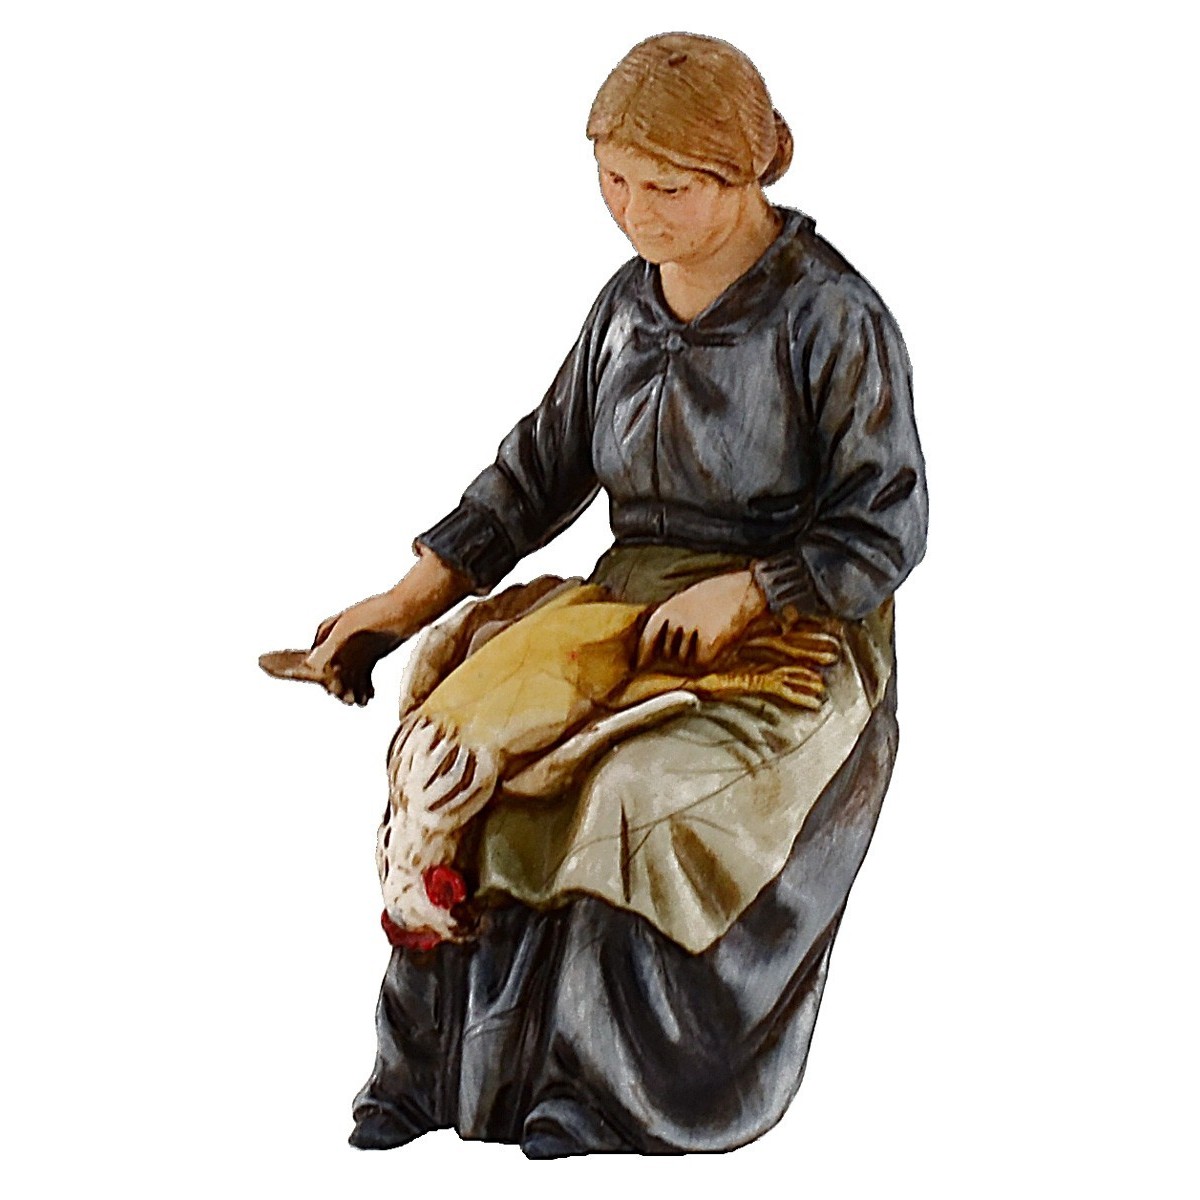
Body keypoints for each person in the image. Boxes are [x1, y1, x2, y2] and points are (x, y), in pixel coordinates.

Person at [302, 32, 927, 1157]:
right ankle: (431, 1073)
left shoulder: (832, 315)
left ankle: (607, 1091)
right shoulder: (626, 306)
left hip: (798, 637)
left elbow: (887, 520)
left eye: (666, 189)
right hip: (624, 613)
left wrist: (753, 590)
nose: (634, 214)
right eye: (613, 182)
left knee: (633, 790)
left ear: (742, 175)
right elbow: (537, 470)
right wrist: (399, 608)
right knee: (457, 757)